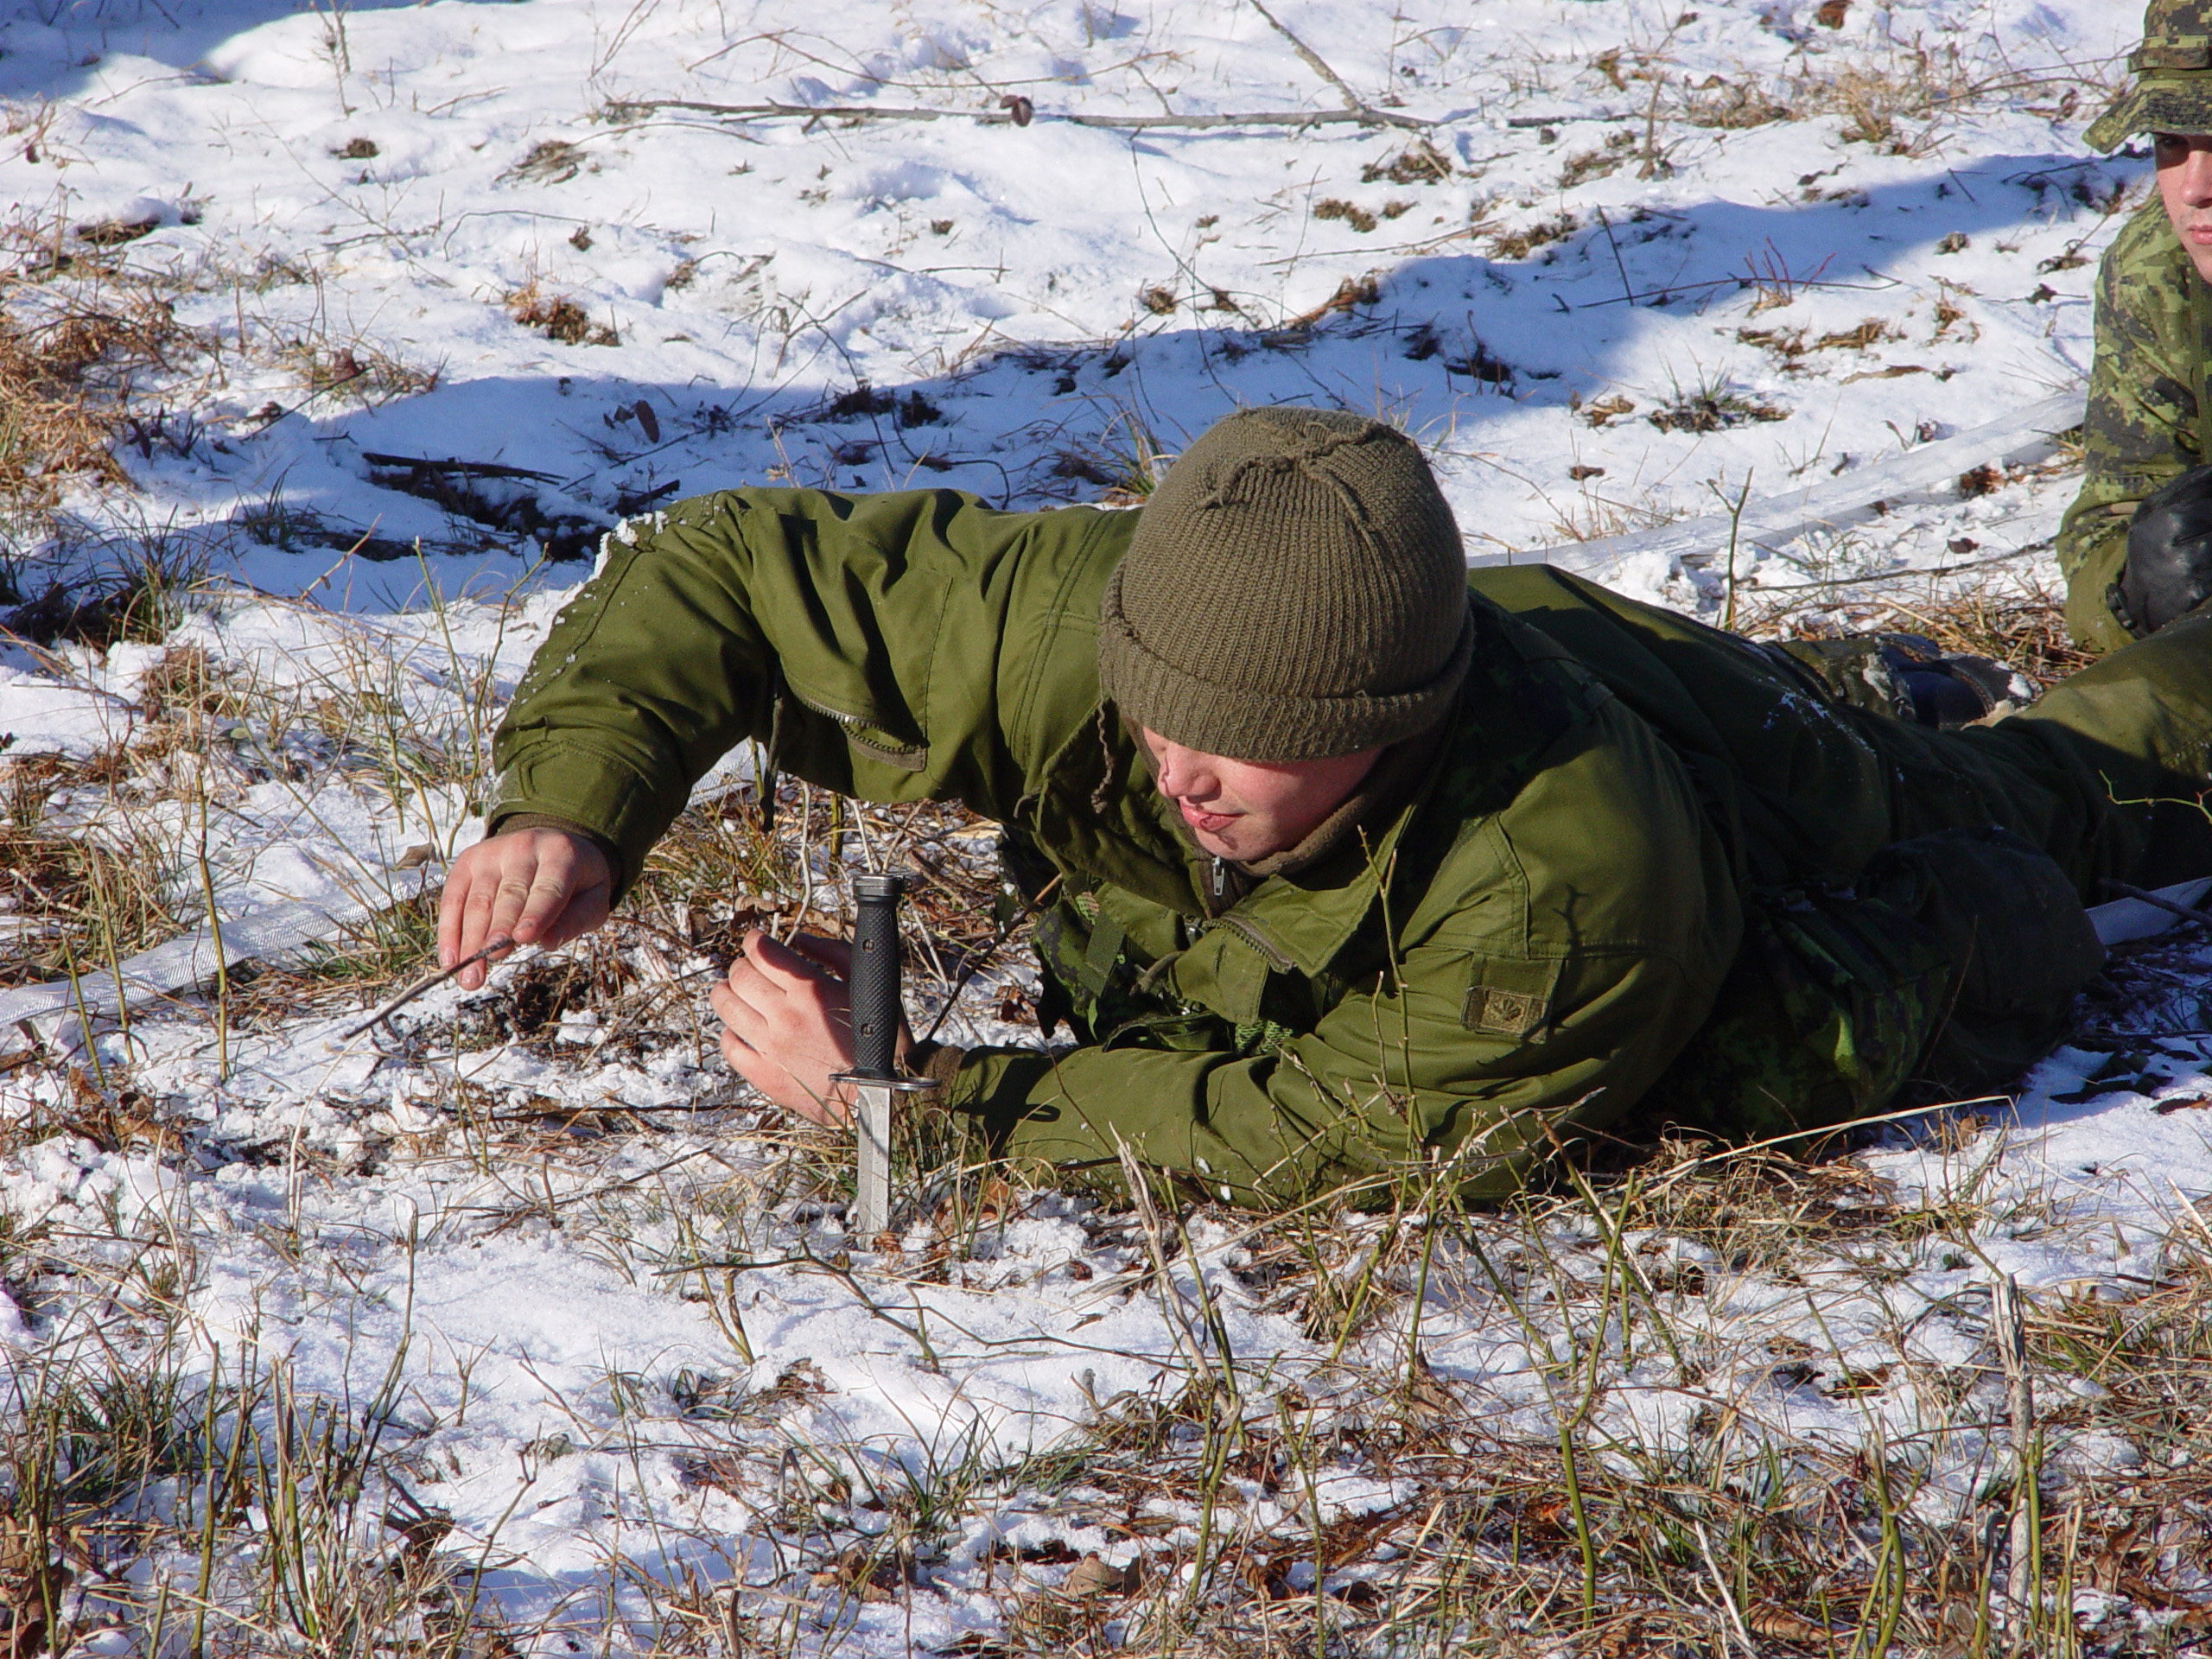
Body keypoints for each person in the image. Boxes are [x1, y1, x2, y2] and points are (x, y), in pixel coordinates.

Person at [442, 406, 2212, 1209]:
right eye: (1157, 715)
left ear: (1383, 725)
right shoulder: (1119, 626)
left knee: (2033, 807)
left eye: (1246, 742)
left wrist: (918, 1106)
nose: (1176, 770)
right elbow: (729, 567)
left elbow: (1347, 1134)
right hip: (1517, 638)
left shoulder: (1560, 887)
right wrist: (571, 812)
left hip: (1730, 816)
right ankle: (1851, 673)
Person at [2062, 0, 2212, 652]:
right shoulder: (2156, 272)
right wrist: (2136, 589)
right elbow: (2112, 515)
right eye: (2172, 143)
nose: (2195, 189)